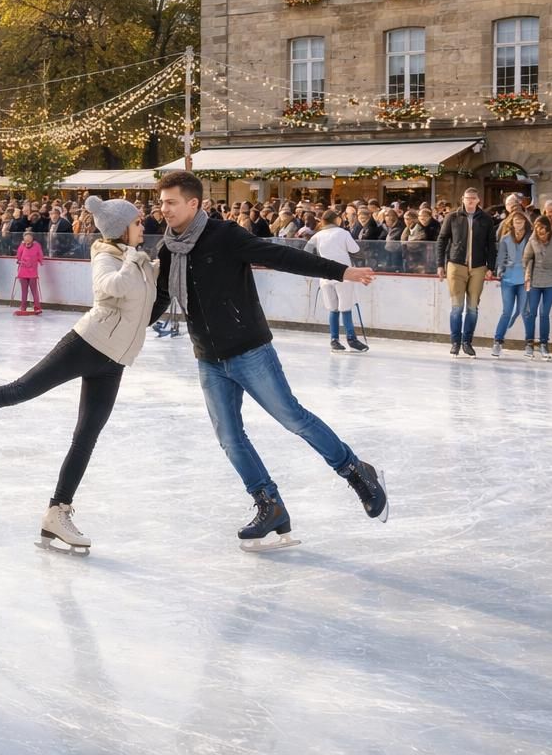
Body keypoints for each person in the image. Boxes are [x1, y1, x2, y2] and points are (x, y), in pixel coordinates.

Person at [0, 198, 156, 553]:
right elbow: (108, 288)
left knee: (86, 436)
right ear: (120, 229)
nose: (144, 225)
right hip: (86, 343)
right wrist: (132, 260)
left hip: (114, 360)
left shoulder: (139, 259)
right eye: (138, 221)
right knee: (19, 390)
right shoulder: (108, 255)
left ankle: (57, 512)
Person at [149, 171, 387, 552]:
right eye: (161, 202)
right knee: (229, 437)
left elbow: (280, 256)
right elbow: (160, 300)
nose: (164, 209)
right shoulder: (168, 250)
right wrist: (121, 328)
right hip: (209, 358)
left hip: (249, 350)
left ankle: (356, 470)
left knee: (293, 417)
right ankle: (269, 503)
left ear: (193, 204)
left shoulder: (224, 235)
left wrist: (341, 271)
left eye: (171, 202)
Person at [436, 188, 497, 358]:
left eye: (473, 198)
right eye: (467, 198)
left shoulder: (486, 219)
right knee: (457, 307)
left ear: (478, 200)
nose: (470, 201)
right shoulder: (453, 216)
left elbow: (491, 244)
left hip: (478, 267)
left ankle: (467, 342)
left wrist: (491, 266)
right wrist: (440, 264)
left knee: (472, 308)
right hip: (456, 265)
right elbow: (442, 240)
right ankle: (455, 342)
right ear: (462, 199)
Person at [304, 209, 366, 352]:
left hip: (325, 276)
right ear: (336, 219)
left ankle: (334, 339)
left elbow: (307, 251)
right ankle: (351, 339)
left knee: (333, 309)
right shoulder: (343, 233)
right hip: (344, 274)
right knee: (346, 308)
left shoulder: (318, 235)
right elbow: (356, 251)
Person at [522, 214, 552, 360]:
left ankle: (544, 344)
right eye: (539, 231)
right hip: (534, 281)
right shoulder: (532, 240)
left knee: (544, 313)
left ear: (549, 230)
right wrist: (527, 273)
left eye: (544, 232)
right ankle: (529, 343)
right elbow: (525, 258)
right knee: (531, 313)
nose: (542, 235)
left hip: (551, 282)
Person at [491, 209, 530, 357]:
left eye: (520, 221)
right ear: (511, 223)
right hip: (508, 279)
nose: (518, 223)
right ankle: (498, 341)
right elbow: (501, 257)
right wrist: (500, 271)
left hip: (525, 278)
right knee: (507, 311)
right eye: (515, 221)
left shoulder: (531, 238)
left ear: (525, 222)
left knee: (525, 312)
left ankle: (529, 343)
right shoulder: (506, 238)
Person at [13, 230, 45, 316]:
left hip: (32, 272)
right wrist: (20, 261)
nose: (27, 239)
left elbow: (40, 254)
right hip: (23, 271)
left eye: (29, 237)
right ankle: (23, 306)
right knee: (24, 290)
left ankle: (37, 307)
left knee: (34, 290)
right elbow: (18, 256)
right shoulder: (22, 246)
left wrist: (41, 261)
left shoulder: (36, 245)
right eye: (25, 237)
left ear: (32, 238)